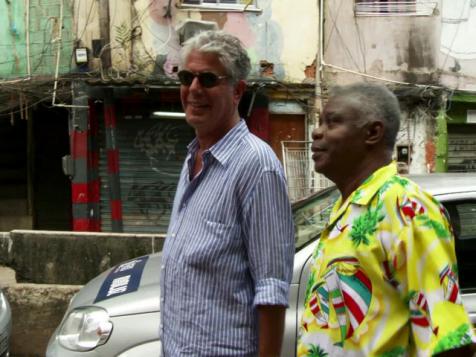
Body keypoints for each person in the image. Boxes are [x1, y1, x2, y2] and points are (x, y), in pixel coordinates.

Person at [297, 82, 475, 356]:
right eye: (320, 121)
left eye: (332, 122)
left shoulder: (406, 208)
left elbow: (449, 344)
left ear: (372, 132)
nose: (316, 131)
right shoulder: (347, 208)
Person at [159, 30, 294, 357]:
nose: (193, 89)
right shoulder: (193, 157)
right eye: (187, 77)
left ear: (237, 91)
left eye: (207, 79)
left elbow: (271, 289)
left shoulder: (256, 166)